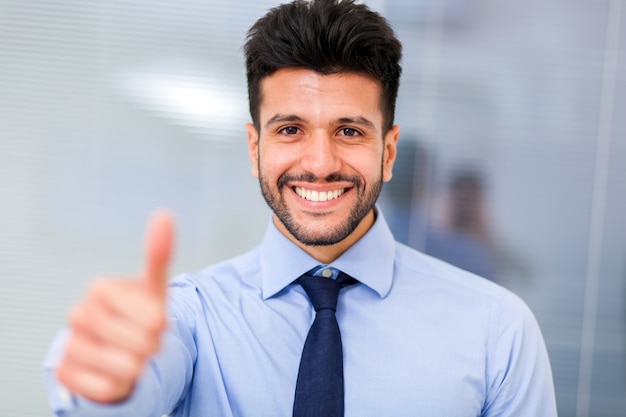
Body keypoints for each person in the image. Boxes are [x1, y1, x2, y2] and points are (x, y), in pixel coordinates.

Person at [43, 0, 558, 416]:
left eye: (349, 131)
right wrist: (108, 389)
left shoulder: (496, 330)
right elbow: (123, 391)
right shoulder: (190, 317)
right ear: (254, 147)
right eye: (290, 129)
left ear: (389, 151)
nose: (320, 163)